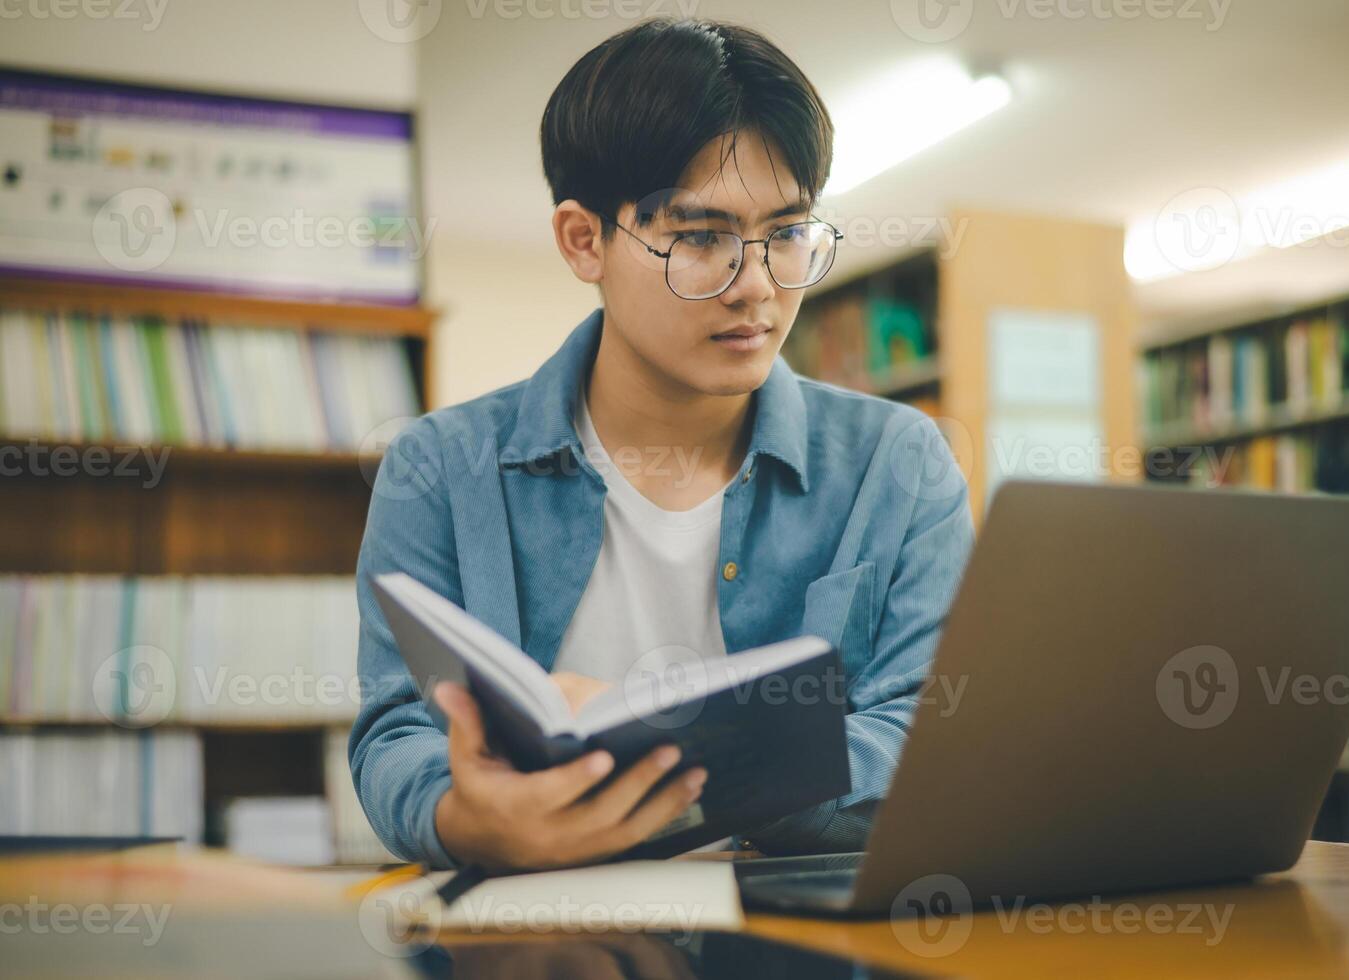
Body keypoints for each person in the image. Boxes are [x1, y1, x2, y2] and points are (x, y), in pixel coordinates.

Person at [350, 17, 973, 872]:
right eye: (698, 238)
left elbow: (924, 733)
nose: (754, 286)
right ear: (583, 241)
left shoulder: (898, 463)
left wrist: (693, 765)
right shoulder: (437, 469)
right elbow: (398, 735)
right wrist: (470, 818)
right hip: (529, 933)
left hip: (801, 939)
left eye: (786, 233)